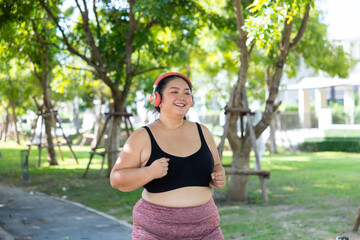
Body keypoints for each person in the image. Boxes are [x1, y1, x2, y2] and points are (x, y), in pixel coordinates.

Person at [110, 72, 226, 239]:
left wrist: (218, 174)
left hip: (206, 231)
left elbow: (216, 165)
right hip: (155, 232)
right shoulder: (142, 137)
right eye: (174, 91)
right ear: (158, 99)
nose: (182, 97)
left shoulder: (203, 132)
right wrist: (149, 172)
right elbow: (116, 179)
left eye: (187, 93)